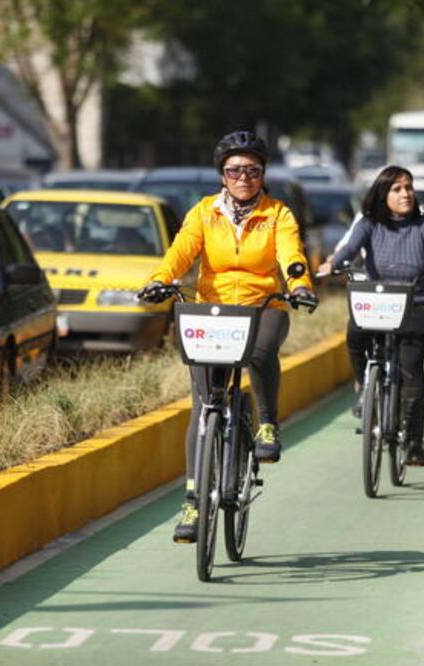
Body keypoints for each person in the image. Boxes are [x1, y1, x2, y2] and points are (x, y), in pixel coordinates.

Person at [139, 130, 317, 544]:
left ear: (262, 174)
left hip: (262, 307)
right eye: (235, 170)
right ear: (222, 174)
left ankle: (267, 424)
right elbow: (181, 250)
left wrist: (299, 285)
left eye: (252, 170)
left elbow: (290, 254)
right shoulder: (204, 212)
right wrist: (159, 280)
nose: (243, 177)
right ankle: (193, 501)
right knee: (203, 405)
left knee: (260, 351)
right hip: (212, 311)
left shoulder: (277, 214)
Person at [318, 166, 424, 467]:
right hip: (378, 299)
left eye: (409, 187)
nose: (406, 194)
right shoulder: (369, 223)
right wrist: (333, 264)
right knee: (355, 334)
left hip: (419, 299)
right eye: (397, 189)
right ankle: (363, 383)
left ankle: (414, 442)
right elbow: (350, 248)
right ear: (382, 194)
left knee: (410, 366)